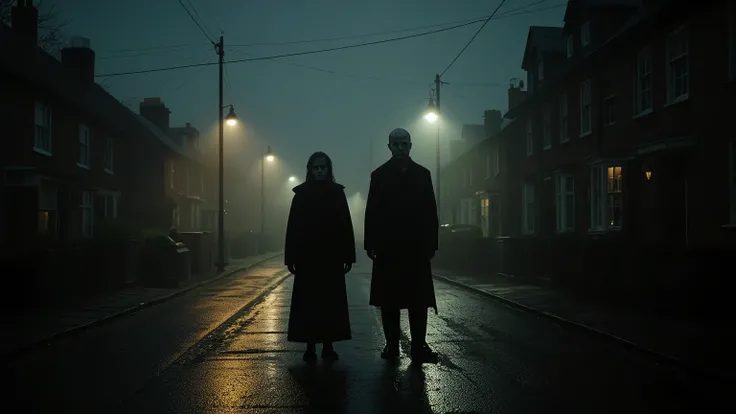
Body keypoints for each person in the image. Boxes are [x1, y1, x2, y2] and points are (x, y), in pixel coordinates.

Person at [364, 127, 439, 363]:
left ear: (410, 145)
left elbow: (430, 212)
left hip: (416, 249)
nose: (399, 148)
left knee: (418, 301)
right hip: (388, 249)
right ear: (389, 147)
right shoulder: (379, 175)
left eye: (403, 143)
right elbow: (372, 213)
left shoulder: (422, 174)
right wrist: (371, 243)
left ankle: (418, 346)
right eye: (395, 144)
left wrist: (431, 244)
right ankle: (392, 345)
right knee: (389, 301)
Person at [284, 151, 356, 362]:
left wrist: (347, 256)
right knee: (309, 303)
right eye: (316, 167)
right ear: (310, 169)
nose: (319, 171)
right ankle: (310, 346)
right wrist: (291, 257)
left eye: (322, 167)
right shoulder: (301, 195)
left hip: (330, 258)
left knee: (329, 303)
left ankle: (328, 345)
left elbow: (345, 226)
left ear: (328, 169)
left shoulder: (336, 193)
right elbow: (293, 228)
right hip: (308, 258)